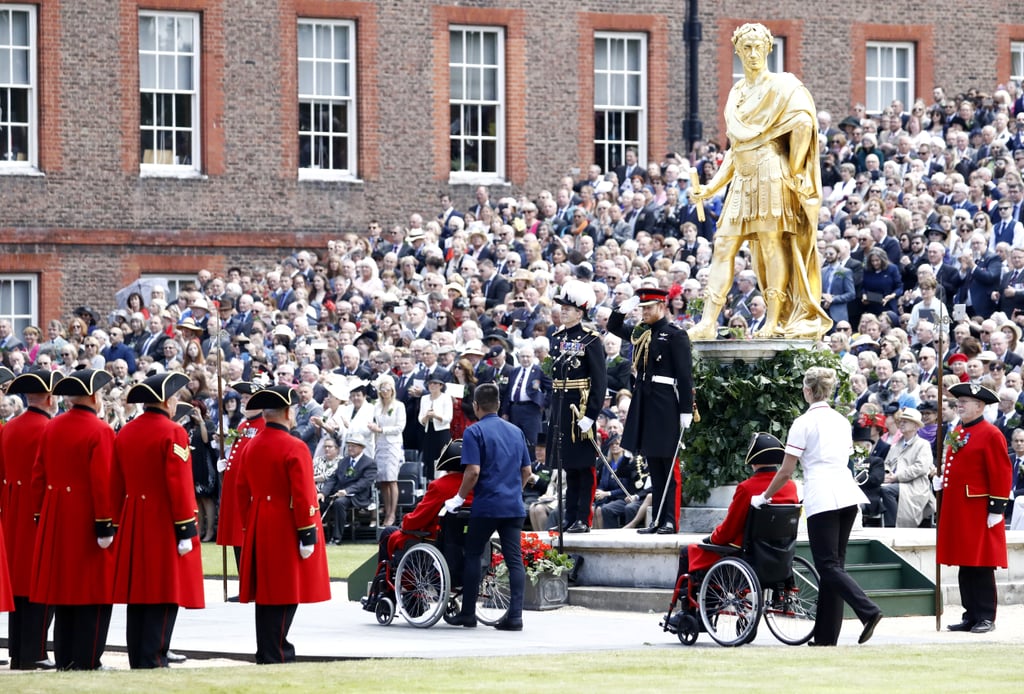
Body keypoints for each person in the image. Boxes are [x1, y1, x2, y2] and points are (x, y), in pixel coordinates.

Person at [688, 23, 831, 340]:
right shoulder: (736, 93)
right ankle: (708, 321)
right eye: (746, 48)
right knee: (723, 244)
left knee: (770, 244)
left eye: (758, 47)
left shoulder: (783, 86)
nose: (753, 54)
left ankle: (773, 319)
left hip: (771, 171)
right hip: (742, 176)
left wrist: (795, 167)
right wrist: (711, 187)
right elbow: (734, 149)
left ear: (768, 49)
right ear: (738, 52)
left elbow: (804, 124)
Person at [755, 366, 883, 646]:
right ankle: (826, 636)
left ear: (809, 391)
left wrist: (764, 496)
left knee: (828, 566)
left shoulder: (803, 422)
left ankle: (868, 610)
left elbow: (786, 471)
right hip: (846, 493)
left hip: (823, 494)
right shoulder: (840, 420)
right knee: (834, 567)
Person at [110, 372, 205, 669]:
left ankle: (138, 655)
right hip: (163, 519)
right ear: (166, 400)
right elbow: (178, 483)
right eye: (175, 398)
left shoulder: (125, 431)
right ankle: (154, 656)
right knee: (164, 592)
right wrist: (186, 528)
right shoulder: (173, 432)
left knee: (138, 594)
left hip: (133, 517)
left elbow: (115, 482)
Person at [236, 385, 331, 664]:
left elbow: (241, 489)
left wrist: (248, 523)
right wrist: (307, 532)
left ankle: (268, 647)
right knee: (285, 592)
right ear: (288, 413)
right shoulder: (295, 446)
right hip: (286, 525)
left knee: (267, 593)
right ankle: (276, 650)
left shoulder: (251, 443)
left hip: (259, 520)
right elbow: (303, 493)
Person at [30, 369, 117, 670]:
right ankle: (87, 658)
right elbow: (103, 480)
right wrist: (105, 523)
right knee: (94, 589)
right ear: (94, 397)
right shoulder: (101, 430)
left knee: (64, 590)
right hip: (86, 515)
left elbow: (38, 475)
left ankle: (64, 656)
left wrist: (41, 514)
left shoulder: (51, 427)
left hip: (56, 514)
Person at [445, 383, 532, 631]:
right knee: (514, 560)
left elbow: (473, 471)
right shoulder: (516, 431)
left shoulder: (474, 431)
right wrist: (516, 490)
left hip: (487, 505)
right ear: (499, 404)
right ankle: (515, 616)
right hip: (513, 505)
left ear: (476, 406)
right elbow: (526, 471)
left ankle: (469, 613)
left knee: (473, 554)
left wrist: (459, 498)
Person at [608, 287, 693, 534]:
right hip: (645, 401)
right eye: (642, 308)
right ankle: (658, 519)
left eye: (649, 308)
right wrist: (624, 307)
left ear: (662, 307)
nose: (644, 312)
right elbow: (614, 326)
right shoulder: (643, 333)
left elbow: (685, 376)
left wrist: (685, 409)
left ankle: (669, 520)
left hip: (665, 402)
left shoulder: (674, 334)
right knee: (654, 463)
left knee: (668, 466)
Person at [676, 433, 799, 583]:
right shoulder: (791, 487)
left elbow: (729, 529)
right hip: (780, 554)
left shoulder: (747, 488)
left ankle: (689, 604)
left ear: (752, 460)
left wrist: (712, 538)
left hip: (746, 554)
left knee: (687, 552)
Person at [938, 383, 1011, 634]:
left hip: (978, 507)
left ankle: (986, 616)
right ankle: (970, 614)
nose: (959, 404)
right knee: (965, 563)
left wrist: (997, 508)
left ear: (979, 406)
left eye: (965, 401)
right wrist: (942, 481)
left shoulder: (991, 433)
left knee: (981, 564)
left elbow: (1001, 472)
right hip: (959, 507)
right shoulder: (958, 429)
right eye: (959, 400)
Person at [0, 369, 59, 669]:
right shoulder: (49, 429)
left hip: (12, 515)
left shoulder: (8, 428)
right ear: (49, 398)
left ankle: (17, 652)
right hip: (39, 513)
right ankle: (35, 652)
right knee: (39, 585)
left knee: (18, 587)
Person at [548, 279, 607, 533]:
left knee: (583, 467)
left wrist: (591, 415)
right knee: (568, 467)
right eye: (562, 307)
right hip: (561, 406)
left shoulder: (590, 339)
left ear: (580, 312)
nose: (563, 310)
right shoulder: (557, 337)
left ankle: (583, 517)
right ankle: (570, 516)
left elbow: (600, 381)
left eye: (568, 308)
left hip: (580, 408)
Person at [217, 381, 265, 573]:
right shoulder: (244, 425)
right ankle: (243, 580)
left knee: (246, 536)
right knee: (236, 536)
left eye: (247, 398)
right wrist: (227, 463)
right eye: (243, 398)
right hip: (234, 488)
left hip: (249, 490)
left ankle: (251, 581)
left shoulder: (263, 425)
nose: (243, 402)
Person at [879, 407, 936, 527]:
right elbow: (886, 464)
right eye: (901, 421)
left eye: (906, 421)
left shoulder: (923, 444)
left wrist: (896, 477)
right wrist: (887, 474)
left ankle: (893, 526)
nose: (902, 423)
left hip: (914, 485)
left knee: (886, 490)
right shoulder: (895, 446)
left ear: (915, 426)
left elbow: (920, 468)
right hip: (895, 482)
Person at [317, 431, 377, 544]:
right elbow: (333, 478)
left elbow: (364, 483)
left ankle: (336, 538)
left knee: (340, 503)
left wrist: (347, 491)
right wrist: (323, 493)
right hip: (339, 492)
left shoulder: (369, 463)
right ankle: (317, 536)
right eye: (349, 445)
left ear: (361, 447)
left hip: (357, 496)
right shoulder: (343, 461)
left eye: (353, 446)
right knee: (320, 501)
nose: (350, 448)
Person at [369, 373, 405, 526]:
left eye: (387, 388)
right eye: (382, 388)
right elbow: (372, 421)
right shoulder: (376, 406)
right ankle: (386, 510)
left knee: (391, 479)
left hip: (392, 444)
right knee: (383, 480)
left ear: (392, 389)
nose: (384, 391)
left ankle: (392, 514)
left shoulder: (398, 406)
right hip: (379, 444)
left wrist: (381, 429)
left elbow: (399, 427)